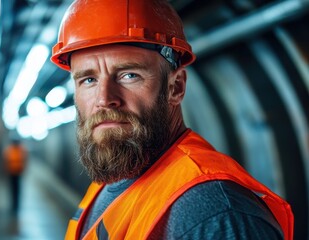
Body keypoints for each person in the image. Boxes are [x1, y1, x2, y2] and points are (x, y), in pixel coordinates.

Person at [50, 0, 294, 239]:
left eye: (128, 75)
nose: (104, 99)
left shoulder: (213, 213)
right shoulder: (114, 179)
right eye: (88, 80)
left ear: (175, 87)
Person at [3, 138, 27, 215]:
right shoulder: (12, 150)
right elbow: (5, 160)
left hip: (17, 172)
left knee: (16, 189)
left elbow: (25, 160)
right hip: (12, 172)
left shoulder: (18, 150)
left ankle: (15, 205)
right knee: (14, 189)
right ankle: (14, 205)